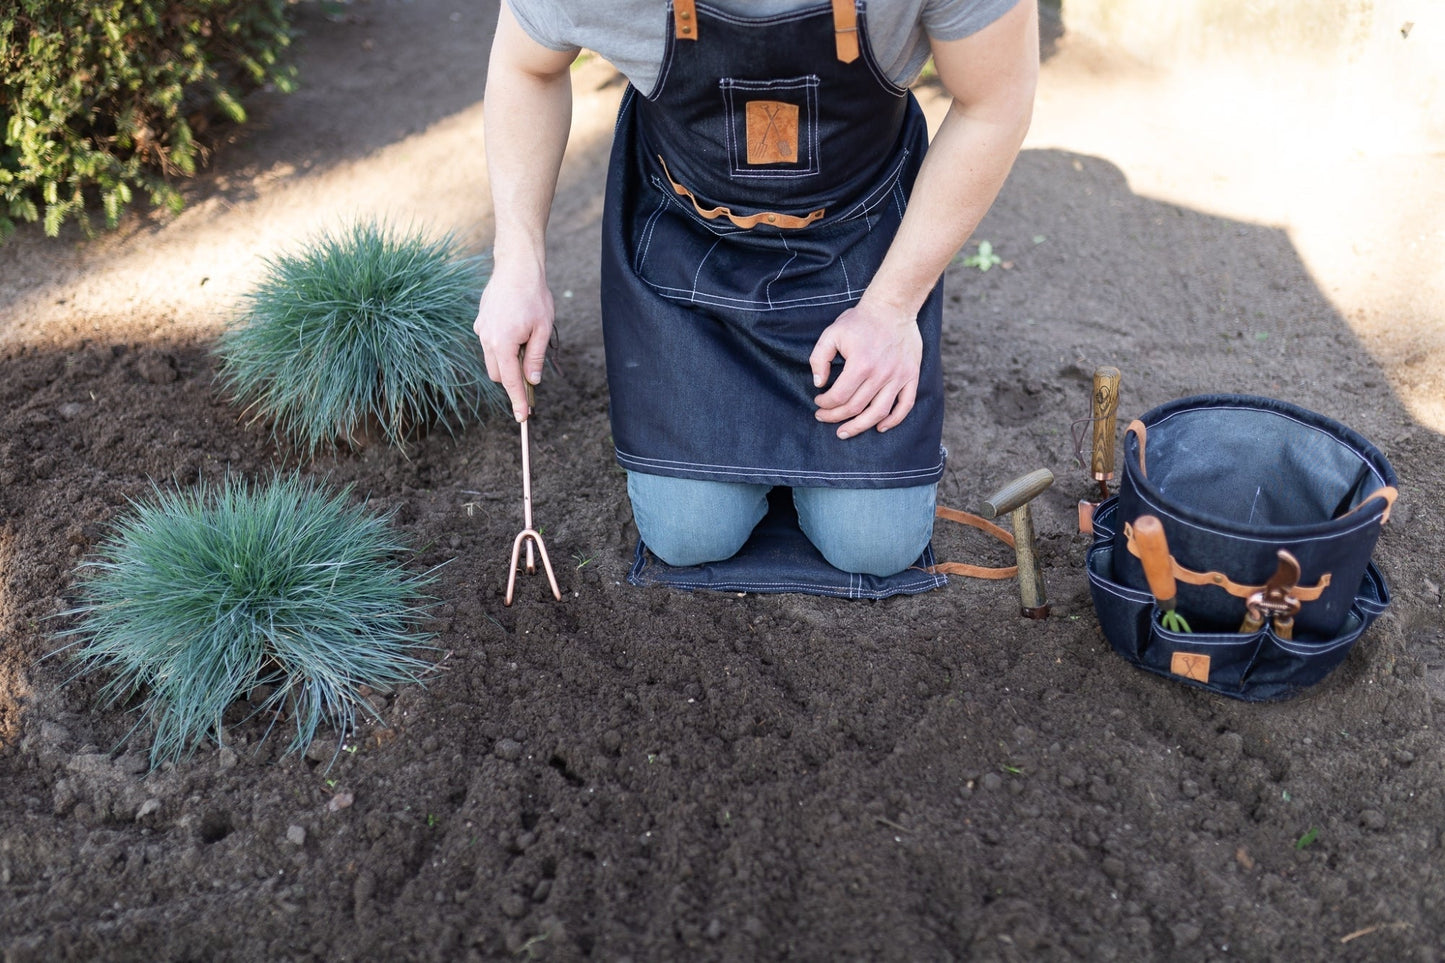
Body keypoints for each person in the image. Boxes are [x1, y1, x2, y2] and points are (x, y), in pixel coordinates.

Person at [475, 0, 1038, 579]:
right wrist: (518, 260)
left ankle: (795, 468)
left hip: (858, 243)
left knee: (874, 546)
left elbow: (994, 100)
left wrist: (893, 306)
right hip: (685, 244)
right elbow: (528, 67)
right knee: (690, 533)